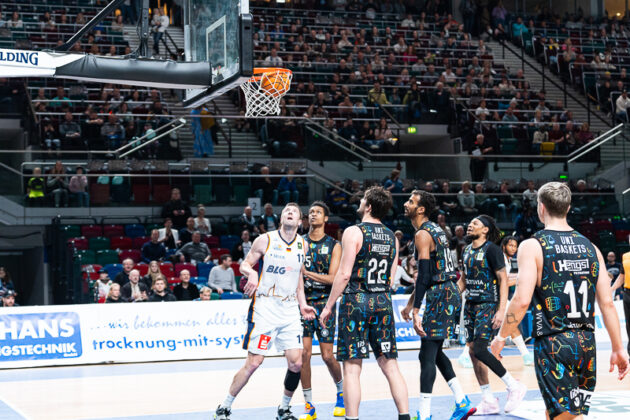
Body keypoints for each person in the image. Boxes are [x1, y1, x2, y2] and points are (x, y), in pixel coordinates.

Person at [491, 182, 630, 419]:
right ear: (568, 208)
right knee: (559, 412)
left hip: (555, 343)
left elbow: (522, 300)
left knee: (567, 416)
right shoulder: (591, 247)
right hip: (586, 344)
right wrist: (618, 347)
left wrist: (502, 337)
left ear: (541, 208)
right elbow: (606, 303)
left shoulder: (532, 245)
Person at [213, 203, 316, 420]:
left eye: (294, 211)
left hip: (289, 309)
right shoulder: (265, 239)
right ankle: (224, 406)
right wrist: (251, 273)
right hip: (265, 306)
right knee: (254, 362)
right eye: (287, 210)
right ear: (281, 219)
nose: (290, 212)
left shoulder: (303, 246)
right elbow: (245, 264)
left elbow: (298, 278)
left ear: (299, 222)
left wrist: (303, 303)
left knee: (297, 363)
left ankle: (284, 408)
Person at [320, 187, 410, 420]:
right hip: (382, 300)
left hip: (356, 300)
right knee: (390, 365)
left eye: (362, 199)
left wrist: (329, 306)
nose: (359, 201)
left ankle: (352, 418)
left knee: (351, 368)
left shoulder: (353, 232)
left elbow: (344, 274)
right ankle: (405, 416)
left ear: (368, 207)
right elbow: (390, 278)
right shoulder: (392, 236)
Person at [400, 190, 475, 420]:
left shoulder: (423, 234)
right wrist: (411, 302)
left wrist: (415, 309)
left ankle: (424, 414)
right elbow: (429, 273)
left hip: (441, 293)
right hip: (446, 290)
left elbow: (424, 274)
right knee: (432, 351)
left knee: (427, 354)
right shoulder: (436, 230)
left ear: (421, 209)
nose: (406, 204)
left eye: (411, 202)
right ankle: (462, 401)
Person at [461, 215, 526, 415]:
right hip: (470, 305)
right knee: (472, 353)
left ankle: (513, 386)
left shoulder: (492, 249)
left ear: (486, 229)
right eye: (470, 222)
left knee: (480, 349)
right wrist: (450, 297)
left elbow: (503, 279)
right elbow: (463, 279)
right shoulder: (466, 250)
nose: (470, 224)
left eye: (476, 223)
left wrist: (500, 309)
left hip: (487, 304)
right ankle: (488, 399)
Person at [299, 201, 345, 420]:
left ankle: (341, 392)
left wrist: (306, 273)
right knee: (303, 355)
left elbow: (333, 279)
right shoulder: (299, 243)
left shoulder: (334, 245)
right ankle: (309, 405)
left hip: (325, 305)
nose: (313, 214)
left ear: (326, 219)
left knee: (327, 355)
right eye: (311, 213)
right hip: (303, 304)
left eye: (318, 212)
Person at [500, 236, 533, 365]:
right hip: (492, 297)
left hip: (500, 298)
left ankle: (525, 355)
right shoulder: (500, 260)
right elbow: (503, 283)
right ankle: (466, 354)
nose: (514, 248)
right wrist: (521, 279)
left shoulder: (510, 261)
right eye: (511, 245)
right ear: (504, 246)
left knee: (511, 323)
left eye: (515, 246)